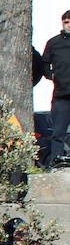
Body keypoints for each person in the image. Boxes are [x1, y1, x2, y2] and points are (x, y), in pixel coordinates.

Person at [40, 10, 70, 168]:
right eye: (66, 22)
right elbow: (44, 62)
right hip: (61, 96)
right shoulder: (54, 43)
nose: (69, 25)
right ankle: (56, 163)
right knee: (58, 133)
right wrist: (51, 76)